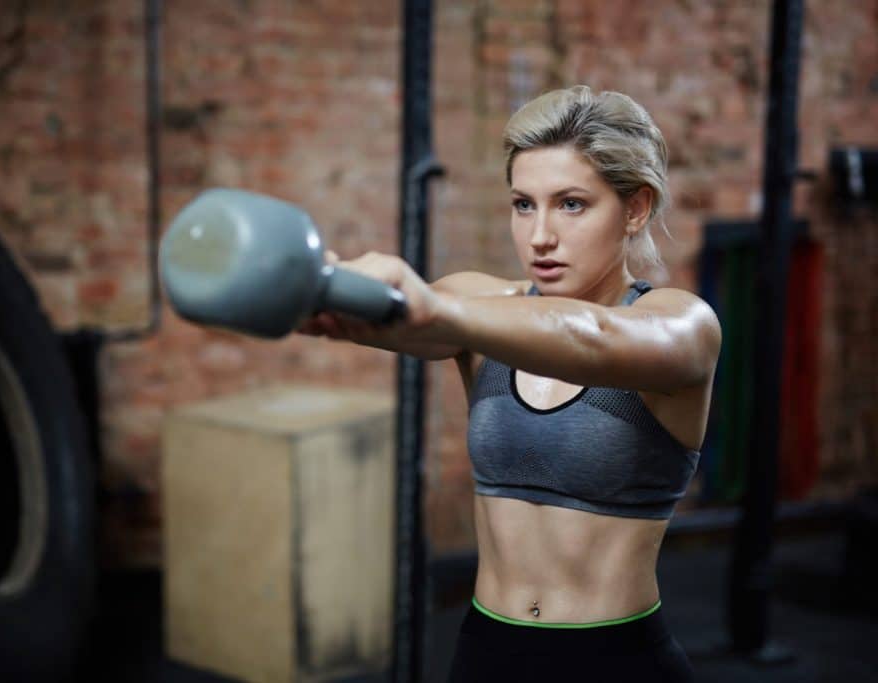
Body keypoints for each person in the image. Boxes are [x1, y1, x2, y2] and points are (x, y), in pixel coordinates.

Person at [298, 85, 720, 682]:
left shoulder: (681, 322)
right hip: (486, 652)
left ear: (635, 208)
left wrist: (434, 309)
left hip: (617, 661)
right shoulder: (482, 304)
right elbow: (390, 319)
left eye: (571, 204)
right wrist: (304, 292)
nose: (540, 235)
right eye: (524, 204)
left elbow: (592, 339)